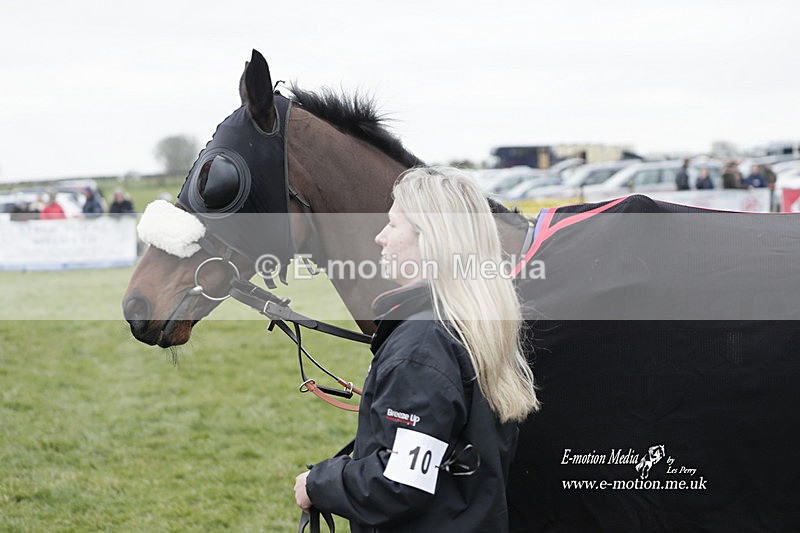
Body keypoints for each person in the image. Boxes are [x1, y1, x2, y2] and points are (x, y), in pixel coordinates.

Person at [293, 167, 540, 532]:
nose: (380, 237)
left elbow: (399, 484)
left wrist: (318, 484)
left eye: (393, 225)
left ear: (431, 239)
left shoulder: (423, 345)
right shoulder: (469, 322)